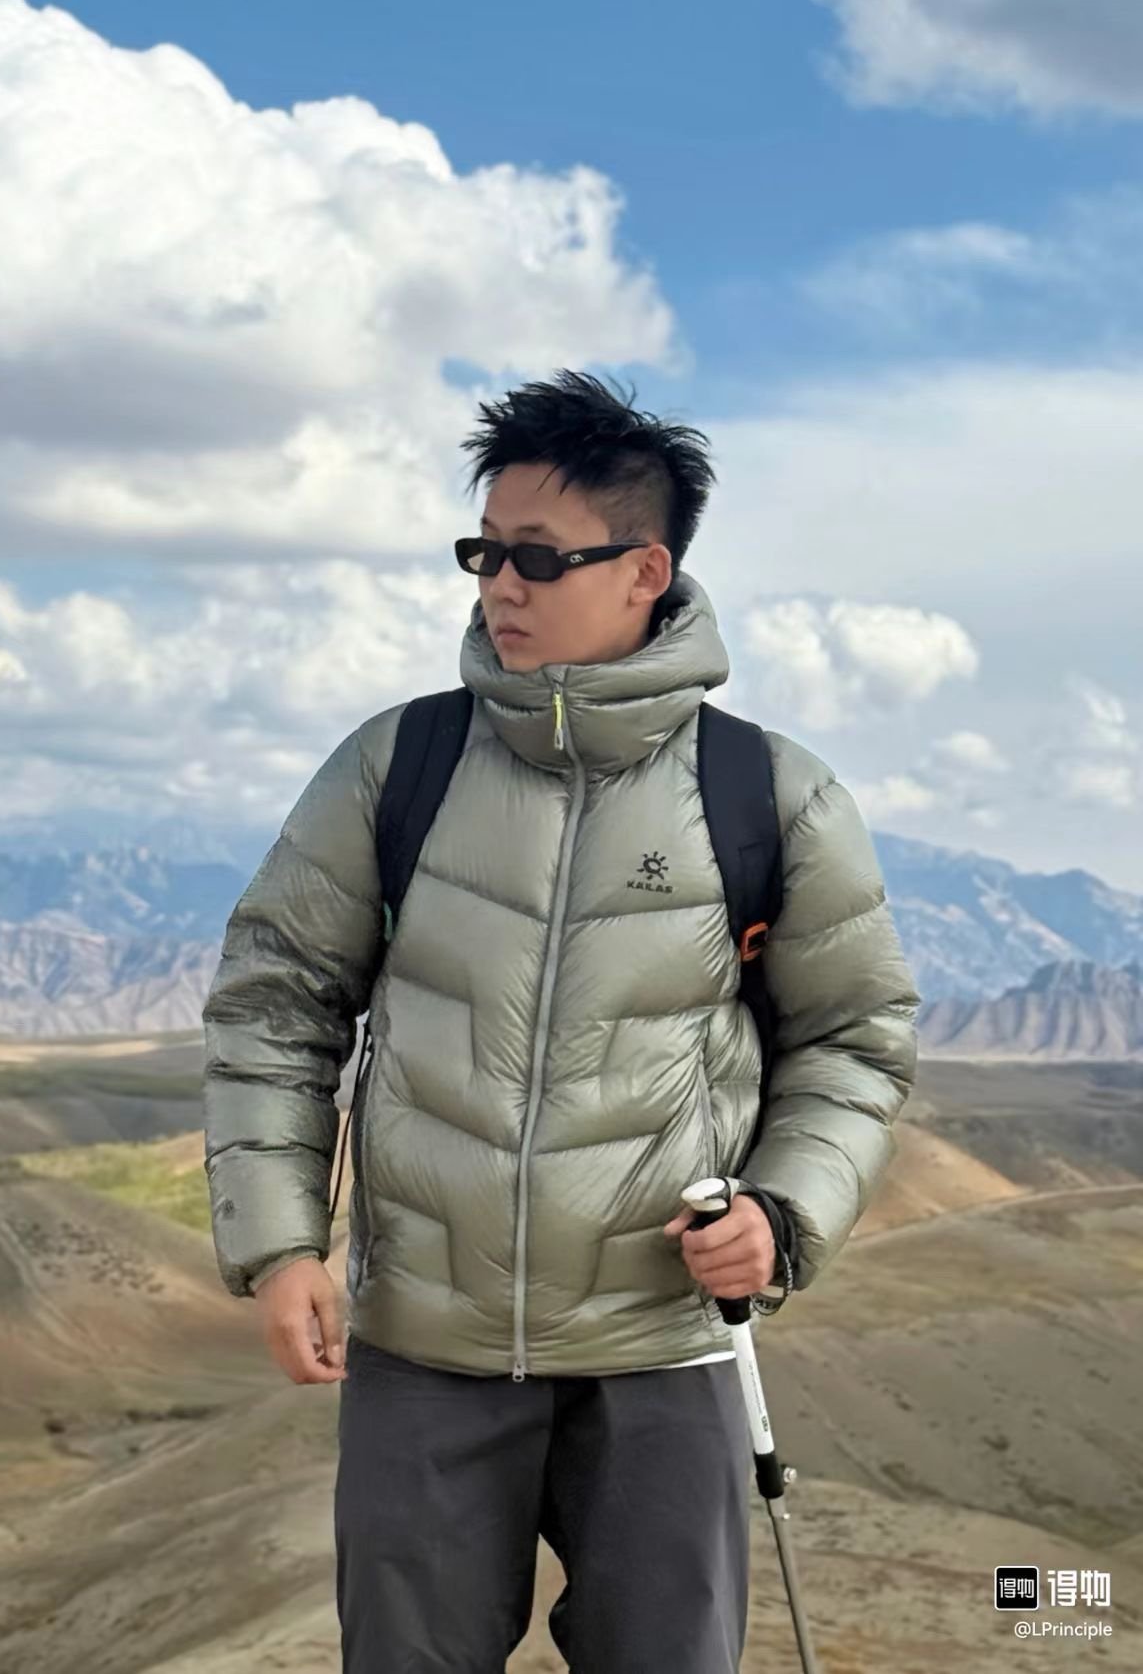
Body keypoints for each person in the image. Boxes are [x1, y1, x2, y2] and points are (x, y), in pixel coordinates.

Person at [202, 369, 921, 1672]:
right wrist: (280, 1244)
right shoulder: (396, 768)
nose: (499, 585)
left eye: (537, 556)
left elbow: (855, 1041)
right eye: (483, 551)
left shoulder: (770, 795)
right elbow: (275, 1006)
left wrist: (784, 1213)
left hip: (667, 1357)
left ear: (645, 571)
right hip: (424, 1356)